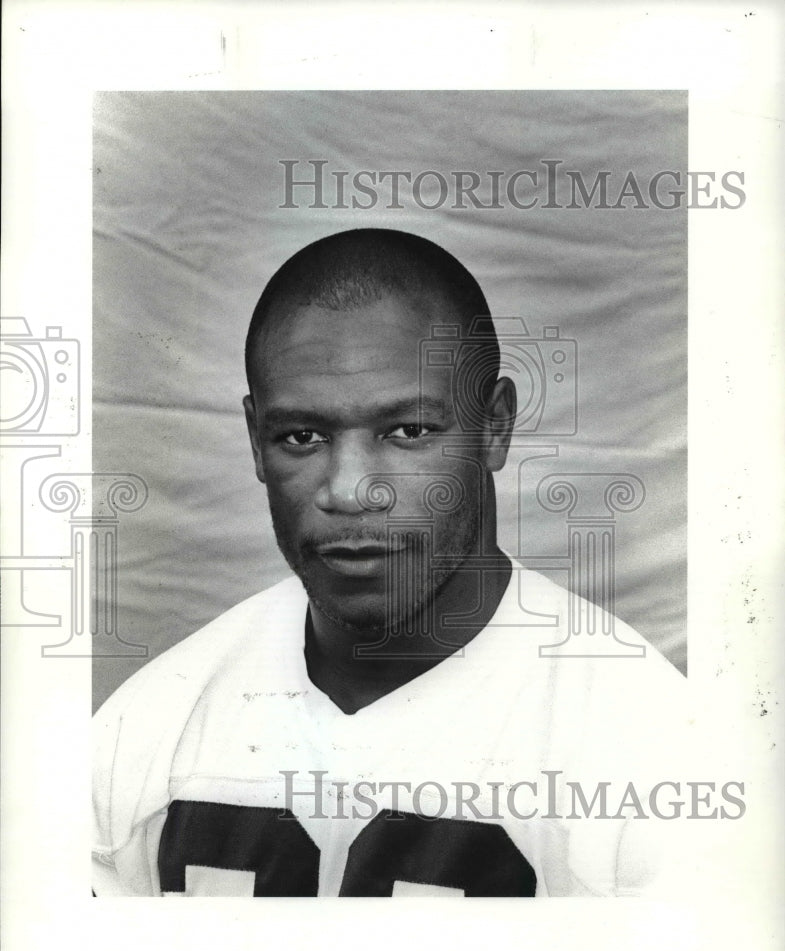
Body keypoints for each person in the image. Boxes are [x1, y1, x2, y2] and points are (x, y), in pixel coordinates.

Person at [93, 227, 691, 897]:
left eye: (407, 431)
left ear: (493, 426)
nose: (348, 489)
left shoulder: (647, 741)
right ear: (256, 443)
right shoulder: (147, 726)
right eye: (302, 436)